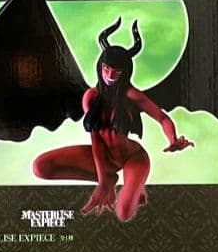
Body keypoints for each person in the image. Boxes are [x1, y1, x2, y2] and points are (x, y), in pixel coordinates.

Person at [32, 19, 193, 221]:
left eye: (116, 71)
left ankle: (136, 184)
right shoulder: (90, 97)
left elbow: (162, 118)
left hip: (132, 158)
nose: (109, 75)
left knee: (123, 213)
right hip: (104, 158)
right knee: (41, 168)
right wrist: (103, 181)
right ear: (100, 66)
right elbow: (97, 142)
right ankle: (112, 179)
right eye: (106, 68)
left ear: (125, 73)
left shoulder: (132, 95)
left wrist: (173, 139)